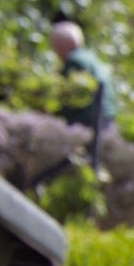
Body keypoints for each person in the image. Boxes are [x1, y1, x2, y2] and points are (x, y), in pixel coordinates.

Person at [51, 21, 116, 167]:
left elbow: (66, 100)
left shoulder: (75, 62)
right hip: (106, 121)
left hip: (86, 122)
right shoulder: (91, 58)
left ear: (61, 45)